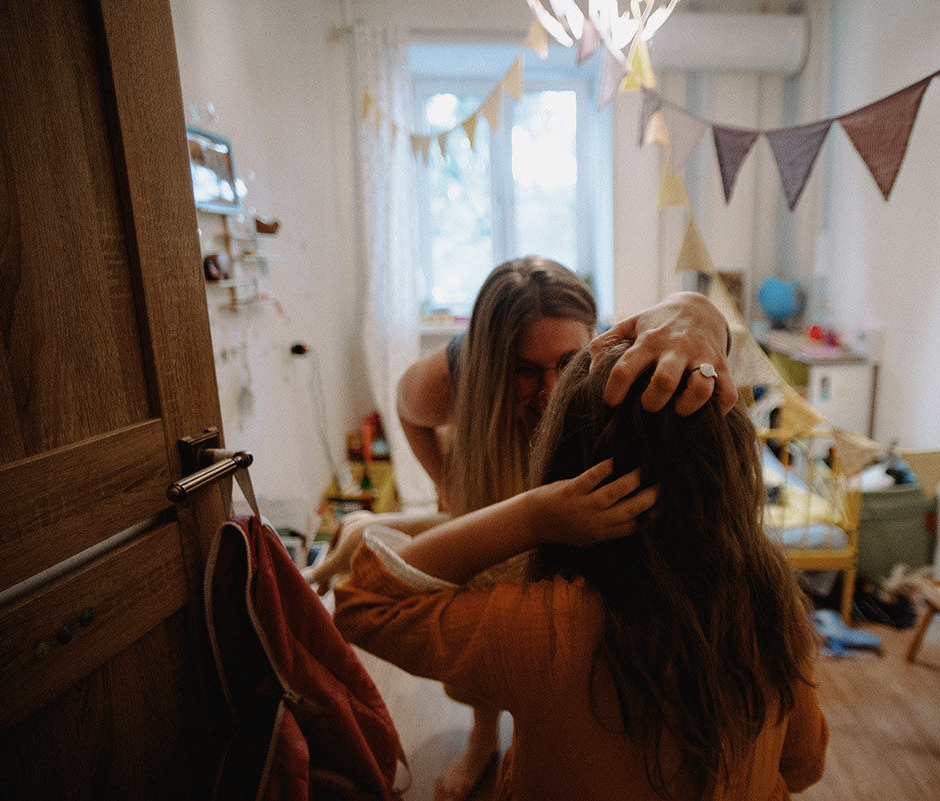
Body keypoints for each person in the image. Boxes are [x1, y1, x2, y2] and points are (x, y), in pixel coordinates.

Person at [333, 345, 827, 800]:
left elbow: (365, 602)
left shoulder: (551, 630)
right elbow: (804, 765)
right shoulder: (770, 610)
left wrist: (531, 516)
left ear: (567, 470)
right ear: (731, 474)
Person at [388, 256, 737, 800]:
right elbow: (408, 413)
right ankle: (483, 737)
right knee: (485, 607)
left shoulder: (610, 361)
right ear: (486, 362)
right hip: (491, 477)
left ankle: (536, 724)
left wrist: (700, 311)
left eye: (568, 363)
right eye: (525, 370)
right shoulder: (450, 376)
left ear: (594, 341)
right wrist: (451, 486)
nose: (551, 389)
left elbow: (687, 321)